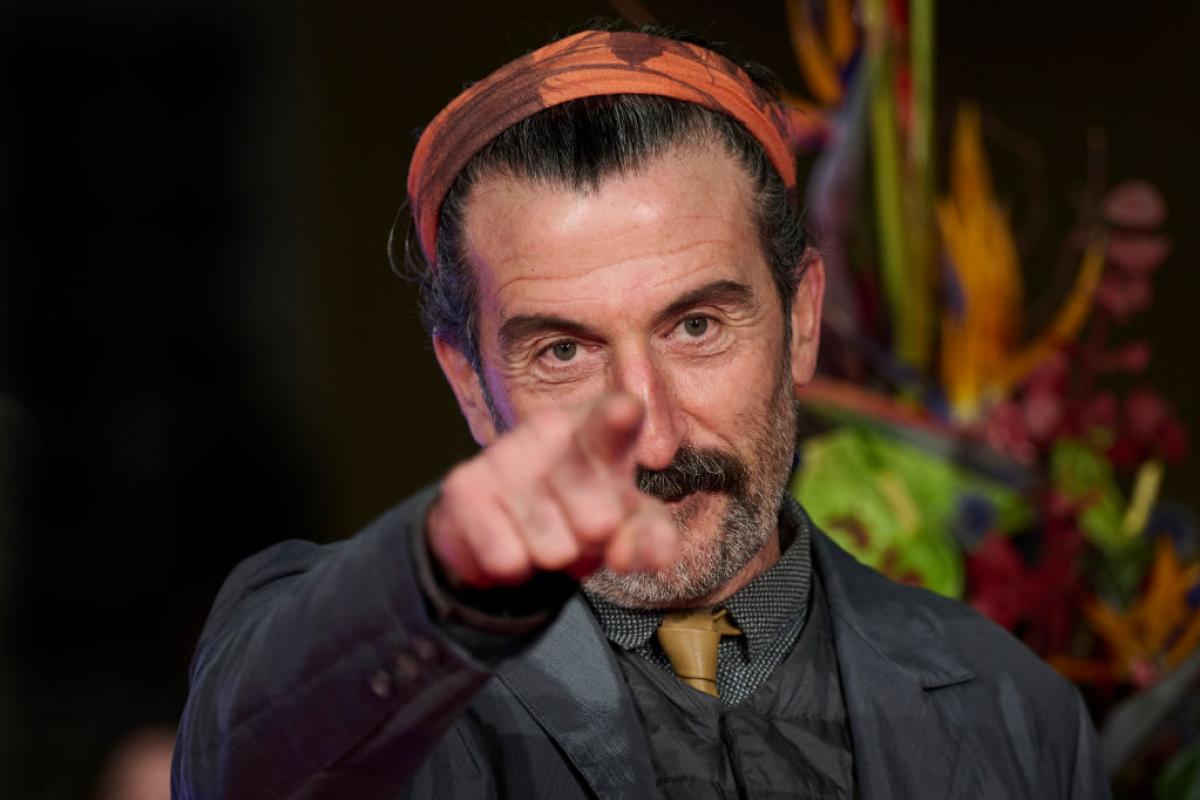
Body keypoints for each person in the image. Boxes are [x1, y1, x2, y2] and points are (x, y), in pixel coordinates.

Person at [172, 25, 1109, 800]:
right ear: (470, 385)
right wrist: (440, 580)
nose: (652, 439)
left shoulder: (1016, 714)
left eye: (696, 326)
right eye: (564, 352)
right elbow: (252, 757)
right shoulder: (383, 679)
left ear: (802, 320)